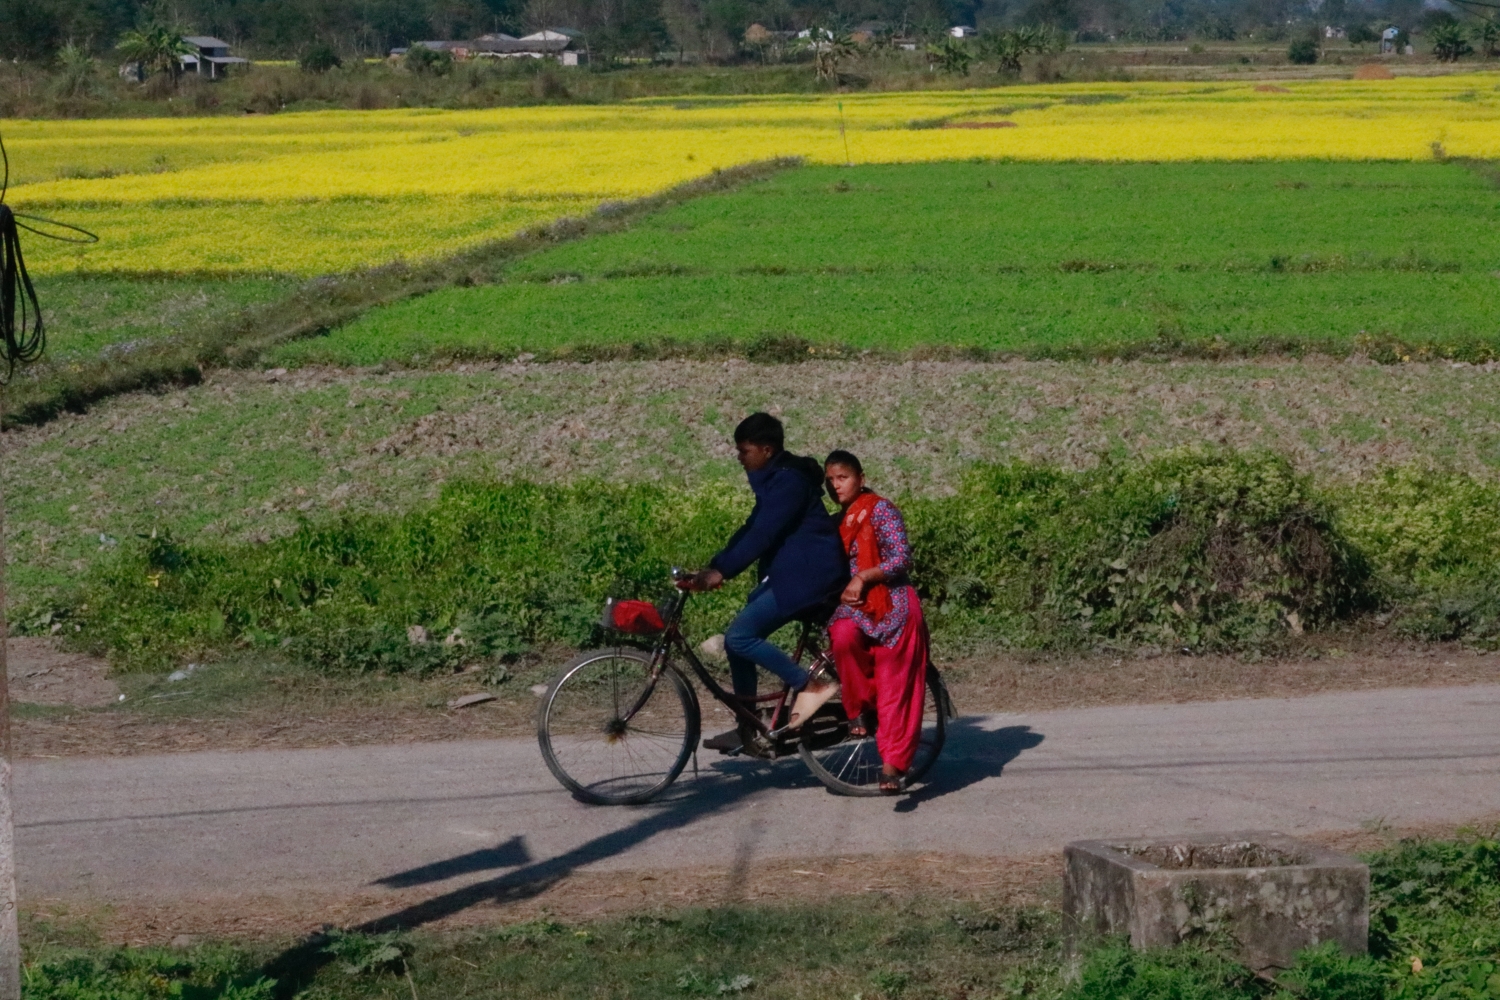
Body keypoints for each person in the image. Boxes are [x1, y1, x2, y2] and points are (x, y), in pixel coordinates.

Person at [680, 413, 849, 755]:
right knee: (736, 642)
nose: (739, 457)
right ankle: (749, 727)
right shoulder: (777, 481)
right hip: (792, 573)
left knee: (740, 637)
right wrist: (714, 567)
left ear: (766, 450)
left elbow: (763, 534)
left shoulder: (788, 484)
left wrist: (721, 573)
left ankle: (811, 685)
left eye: (744, 450)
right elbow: (750, 528)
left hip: (811, 576)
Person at [823, 450, 931, 794]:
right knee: (842, 636)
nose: (836, 485)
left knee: (894, 686)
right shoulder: (838, 521)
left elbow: (901, 558)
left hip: (894, 607)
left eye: (843, 478)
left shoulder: (880, 509)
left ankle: (891, 769)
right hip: (856, 610)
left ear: (861, 478)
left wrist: (864, 577)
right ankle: (860, 710)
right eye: (831, 480)